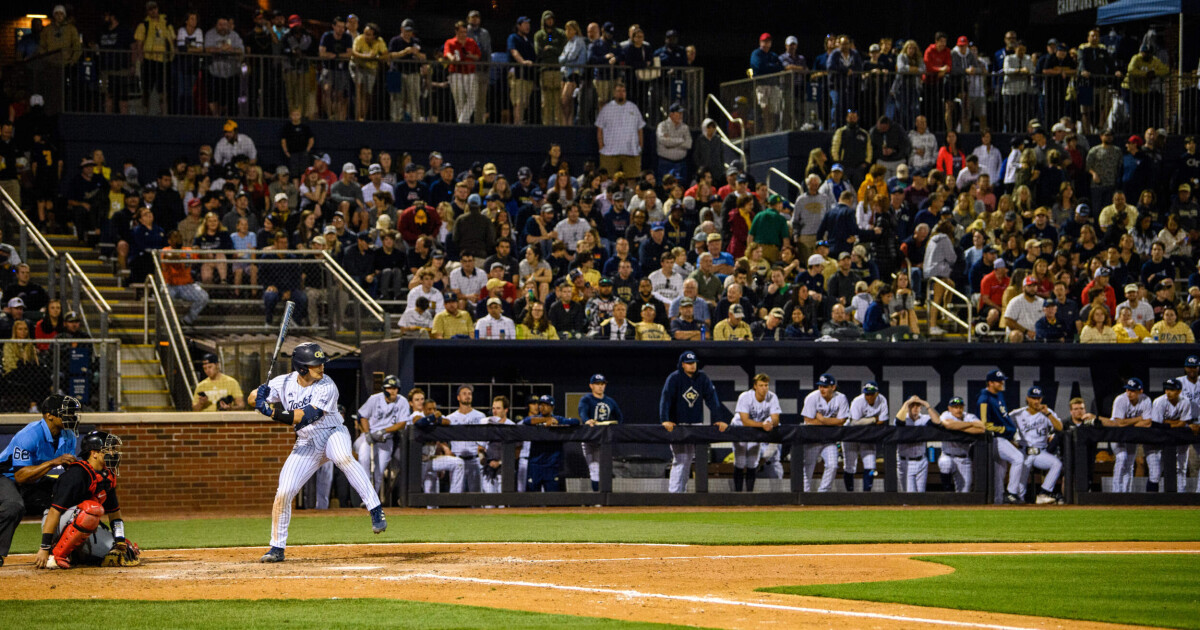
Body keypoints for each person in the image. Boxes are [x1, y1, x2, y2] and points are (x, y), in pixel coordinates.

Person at [249, 342, 384, 563]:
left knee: (343, 457)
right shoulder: (282, 382)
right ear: (302, 368)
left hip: (332, 432)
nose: (321, 367)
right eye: (315, 364)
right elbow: (251, 399)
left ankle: (375, 508)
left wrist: (270, 411)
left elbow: (305, 416)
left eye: (322, 363)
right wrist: (258, 395)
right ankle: (277, 547)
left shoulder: (327, 385)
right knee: (284, 491)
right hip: (306, 443)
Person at [34, 430, 138, 569]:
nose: (113, 453)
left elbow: (115, 513)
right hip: (58, 523)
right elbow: (54, 511)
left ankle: (76, 554)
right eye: (108, 450)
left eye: (114, 449)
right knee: (91, 510)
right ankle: (56, 554)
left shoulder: (107, 476)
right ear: (94, 453)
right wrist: (44, 547)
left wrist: (119, 542)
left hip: (85, 524)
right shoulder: (77, 474)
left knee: (123, 551)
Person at [0, 395, 80, 567]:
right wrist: (53, 462)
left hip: (34, 479)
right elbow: (20, 476)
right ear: (49, 415)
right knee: (13, 506)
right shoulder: (29, 434)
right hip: (6, 476)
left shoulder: (69, 435)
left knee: (65, 500)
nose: (71, 417)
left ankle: (59, 550)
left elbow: (63, 470)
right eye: (66, 413)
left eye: (72, 413)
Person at [658, 351, 729, 493]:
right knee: (679, 459)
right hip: (678, 425)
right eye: (689, 363)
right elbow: (666, 400)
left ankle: (681, 492)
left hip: (696, 424)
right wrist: (665, 419)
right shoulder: (674, 378)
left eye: (694, 363)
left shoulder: (702, 378)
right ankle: (674, 494)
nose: (692, 366)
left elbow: (712, 399)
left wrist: (719, 419)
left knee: (688, 460)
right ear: (682, 364)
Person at [978, 369, 1027, 504]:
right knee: (1018, 458)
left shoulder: (999, 395)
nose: (1002, 383)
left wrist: (1010, 436)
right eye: (999, 381)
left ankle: (998, 501)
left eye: (1002, 380)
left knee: (1000, 472)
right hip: (994, 439)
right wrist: (1003, 429)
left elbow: (1003, 417)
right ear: (990, 383)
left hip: (1003, 439)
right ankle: (1011, 493)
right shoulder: (984, 398)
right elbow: (984, 424)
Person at [355, 375, 409, 496]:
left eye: (395, 388)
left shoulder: (402, 401)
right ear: (384, 389)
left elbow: (402, 423)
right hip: (370, 437)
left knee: (379, 472)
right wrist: (367, 432)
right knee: (363, 459)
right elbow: (362, 415)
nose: (393, 390)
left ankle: (373, 498)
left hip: (386, 439)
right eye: (389, 388)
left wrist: (384, 431)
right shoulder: (375, 399)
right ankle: (366, 495)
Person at [1010, 386, 1065, 504]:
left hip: (1040, 452)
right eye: (1033, 398)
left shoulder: (1047, 412)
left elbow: (1060, 428)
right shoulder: (1017, 413)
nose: (1036, 401)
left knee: (1056, 464)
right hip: (1023, 452)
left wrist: (1048, 414)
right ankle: (1018, 507)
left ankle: (1044, 492)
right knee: (1020, 489)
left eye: (1038, 398)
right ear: (1027, 398)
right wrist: (1011, 442)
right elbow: (1005, 425)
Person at [731, 373, 781, 492]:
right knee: (740, 461)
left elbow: (776, 419)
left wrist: (769, 422)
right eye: (761, 385)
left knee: (752, 462)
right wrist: (763, 425)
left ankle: (749, 495)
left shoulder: (772, 397)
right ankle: (738, 495)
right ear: (755, 386)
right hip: (740, 428)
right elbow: (745, 420)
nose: (764, 388)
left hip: (757, 428)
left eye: (766, 385)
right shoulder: (745, 396)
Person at [799, 373, 848, 492]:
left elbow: (842, 421)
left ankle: (823, 492)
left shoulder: (841, 398)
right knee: (807, 467)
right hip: (812, 439)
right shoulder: (812, 397)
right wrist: (831, 422)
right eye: (820, 386)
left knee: (832, 465)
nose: (822, 389)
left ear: (833, 387)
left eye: (825, 386)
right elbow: (808, 420)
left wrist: (823, 419)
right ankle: (805, 493)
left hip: (829, 440)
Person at [521, 395, 579, 491]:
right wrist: (546, 420)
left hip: (552, 465)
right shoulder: (535, 419)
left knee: (552, 498)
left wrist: (558, 422)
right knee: (532, 498)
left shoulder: (558, 419)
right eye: (541, 405)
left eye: (546, 405)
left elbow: (576, 421)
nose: (542, 407)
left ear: (552, 407)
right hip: (535, 464)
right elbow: (526, 421)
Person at [578, 374, 623, 491]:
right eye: (597, 384)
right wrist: (587, 420)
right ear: (591, 386)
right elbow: (582, 412)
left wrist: (615, 426)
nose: (600, 387)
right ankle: (598, 499)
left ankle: (602, 497)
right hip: (589, 439)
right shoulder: (586, 399)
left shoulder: (610, 401)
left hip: (604, 440)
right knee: (594, 468)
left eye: (602, 384)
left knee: (604, 470)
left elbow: (619, 417)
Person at [1109, 377, 1153, 493]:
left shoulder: (1146, 400)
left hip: (1131, 436)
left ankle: (1126, 493)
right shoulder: (1120, 399)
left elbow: (1148, 422)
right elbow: (1119, 423)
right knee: (1121, 457)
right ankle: (1116, 492)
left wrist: (1128, 423)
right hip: (1117, 435)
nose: (1129, 393)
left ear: (1140, 391)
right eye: (1128, 390)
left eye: (1132, 390)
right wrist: (1138, 419)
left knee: (1129, 464)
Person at [595, 84, 645, 181]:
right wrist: (601, 146)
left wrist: (640, 146)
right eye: (618, 91)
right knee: (607, 180)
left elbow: (640, 128)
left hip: (631, 152)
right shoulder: (607, 109)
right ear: (614, 93)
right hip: (609, 152)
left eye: (623, 91)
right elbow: (599, 129)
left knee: (632, 180)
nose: (621, 93)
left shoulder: (633, 108)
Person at [933, 396, 983, 492]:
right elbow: (948, 424)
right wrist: (971, 424)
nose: (958, 409)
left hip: (964, 458)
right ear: (949, 408)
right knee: (945, 463)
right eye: (955, 407)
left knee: (965, 491)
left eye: (960, 407)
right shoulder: (946, 415)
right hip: (948, 455)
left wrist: (958, 426)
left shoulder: (969, 416)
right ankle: (947, 491)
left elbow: (981, 428)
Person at [844, 382, 887, 491]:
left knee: (871, 465)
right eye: (867, 394)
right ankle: (849, 494)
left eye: (871, 394)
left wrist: (865, 421)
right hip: (851, 435)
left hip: (868, 437)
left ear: (876, 394)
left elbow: (882, 421)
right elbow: (855, 422)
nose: (869, 396)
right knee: (850, 466)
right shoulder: (858, 401)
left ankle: (867, 495)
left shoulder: (882, 400)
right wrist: (873, 419)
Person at [1154, 379, 1194, 492]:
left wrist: (1167, 422)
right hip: (1162, 438)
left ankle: (1181, 492)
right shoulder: (1159, 402)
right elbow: (1158, 424)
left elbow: (1183, 423)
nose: (1168, 392)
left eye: (1172, 389)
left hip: (1181, 437)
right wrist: (1175, 423)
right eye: (1167, 389)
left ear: (1179, 391)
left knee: (1182, 466)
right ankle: (1158, 496)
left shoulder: (1185, 402)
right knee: (1158, 468)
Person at [894, 396, 933, 493]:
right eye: (912, 405)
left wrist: (927, 405)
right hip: (905, 462)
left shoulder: (925, 418)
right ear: (908, 407)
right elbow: (898, 422)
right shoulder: (902, 417)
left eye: (918, 405)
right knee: (908, 496)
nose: (915, 407)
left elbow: (937, 422)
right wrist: (906, 403)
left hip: (921, 460)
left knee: (921, 497)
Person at [656, 104, 692, 181]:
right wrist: (681, 140)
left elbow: (688, 144)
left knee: (680, 186)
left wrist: (671, 141)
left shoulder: (685, 127)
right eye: (678, 113)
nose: (681, 115)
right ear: (671, 114)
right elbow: (664, 141)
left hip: (680, 163)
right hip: (665, 163)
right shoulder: (662, 126)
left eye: (681, 113)